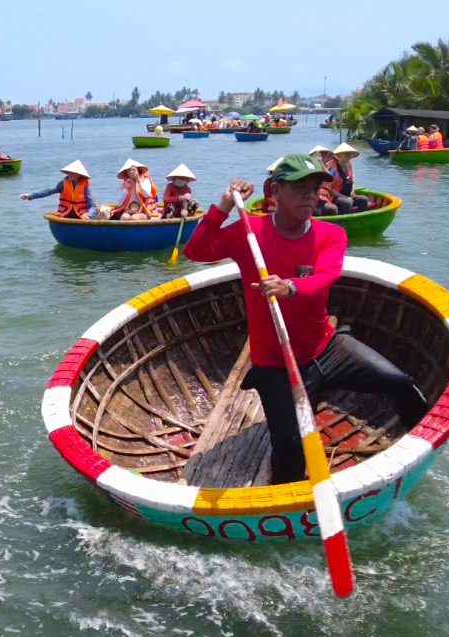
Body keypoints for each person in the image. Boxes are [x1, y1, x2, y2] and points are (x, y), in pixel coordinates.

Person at [183, 154, 429, 484]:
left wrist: (290, 287)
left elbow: (326, 276)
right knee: (289, 447)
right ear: (275, 192)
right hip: (275, 364)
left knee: (400, 384)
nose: (311, 196)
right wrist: (224, 205)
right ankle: (285, 508)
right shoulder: (249, 232)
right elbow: (196, 251)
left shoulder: (330, 234)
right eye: (301, 189)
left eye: (315, 189)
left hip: (325, 350)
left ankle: (419, 451)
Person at [19, 160, 95, 219]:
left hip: (81, 215)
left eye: (73, 173)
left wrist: (89, 215)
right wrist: (30, 195)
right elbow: (48, 191)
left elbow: (92, 206)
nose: (70, 175)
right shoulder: (63, 183)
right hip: (65, 214)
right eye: (69, 173)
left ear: (78, 174)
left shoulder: (85, 185)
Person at [328, 143, 369, 215]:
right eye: (346, 154)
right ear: (339, 155)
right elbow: (330, 188)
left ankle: (357, 219)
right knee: (347, 202)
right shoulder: (331, 167)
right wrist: (343, 197)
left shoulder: (348, 165)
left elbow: (352, 181)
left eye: (350, 154)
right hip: (333, 197)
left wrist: (352, 193)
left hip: (347, 195)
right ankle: (342, 223)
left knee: (363, 200)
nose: (349, 156)